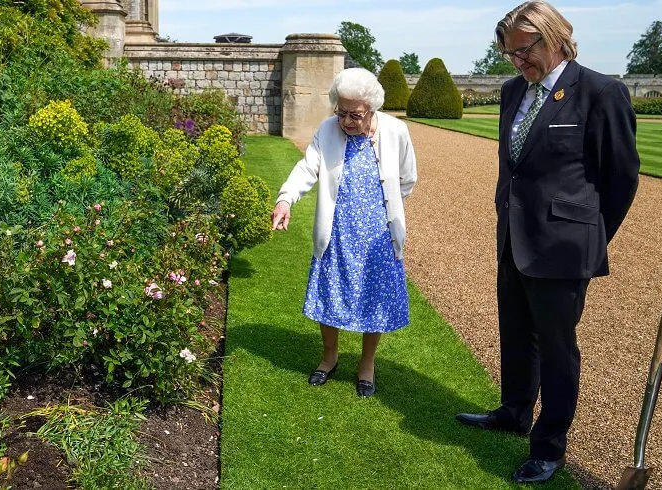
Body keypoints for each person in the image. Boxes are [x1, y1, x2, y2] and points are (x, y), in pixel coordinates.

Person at [455, 1, 640, 484]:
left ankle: (549, 445)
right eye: (509, 55)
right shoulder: (514, 91)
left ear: (554, 36)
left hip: (563, 247)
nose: (517, 63)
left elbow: (620, 179)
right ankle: (514, 412)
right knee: (516, 333)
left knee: (558, 348)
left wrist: (589, 237)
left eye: (523, 51)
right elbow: (511, 169)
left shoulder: (601, 91)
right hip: (514, 238)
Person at [271, 67, 417, 398]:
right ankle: (329, 357)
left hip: (378, 236)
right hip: (337, 231)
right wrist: (285, 200)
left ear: (372, 109)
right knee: (330, 293)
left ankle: (367, 364)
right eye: (342, 112)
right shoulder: (328, 130)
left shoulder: (396, 131)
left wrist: (383, 207)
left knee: (374, 298)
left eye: (356, 115)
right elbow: (307, 168)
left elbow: (407, 179)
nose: (348, 121)